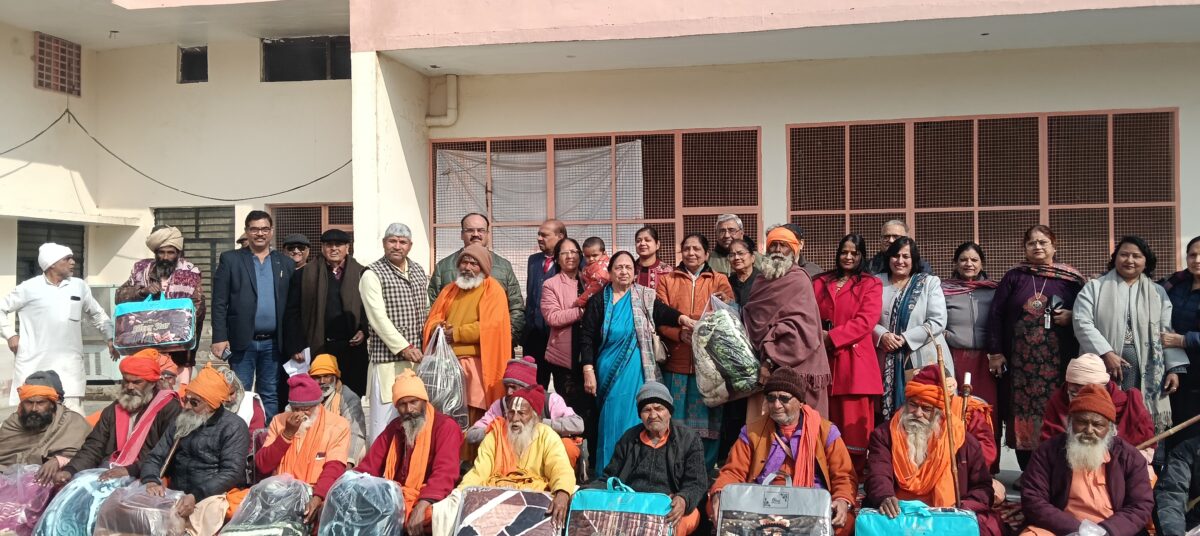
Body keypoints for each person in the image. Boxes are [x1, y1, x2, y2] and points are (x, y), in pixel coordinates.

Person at [579, 251, 693, 473]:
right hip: (608, 372)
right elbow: (587, 337)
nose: (624, 272)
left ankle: (637, 473)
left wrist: (683, 319)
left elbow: (662, 312)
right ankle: (608, 473)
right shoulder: (598, 301)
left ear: (634, 273)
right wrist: (588, 369)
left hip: (638, 370)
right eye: (619, 267)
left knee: (638, 417)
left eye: (628, 268)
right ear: (610, 272)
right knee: (611, 420)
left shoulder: (644, 296)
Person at [711, 368, 858, 535]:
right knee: (715, 505)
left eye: (784, 398)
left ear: (801, 402)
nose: (776, 405)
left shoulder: (825, 431)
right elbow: (733, 471)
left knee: (844, 521)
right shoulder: (752, 431)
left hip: (809, 507)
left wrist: (842, 500)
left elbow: (843, 475)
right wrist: (719, 493)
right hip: (760, 506)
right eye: (771, 398)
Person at [864, 364, 1005, 536]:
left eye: (926, 409)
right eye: (913, 405)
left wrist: (962, 508)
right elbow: (878, 472)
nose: (918, 413)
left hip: (948, 516)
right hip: (900, 514)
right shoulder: (884, 434)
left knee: (988, 527)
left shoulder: (961, 440)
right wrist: (884, 496)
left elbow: (982, 486)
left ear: (940, 412)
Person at [988, 225, 1085, 468]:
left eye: (1043, 242)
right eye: (1031, 243)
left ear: (1054, 245)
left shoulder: (1071, 280)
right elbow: (996, 314)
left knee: (1057, 410)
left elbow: (1089, 313)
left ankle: (1055, 470)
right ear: (1025, 248)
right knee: (1022, 415)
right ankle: (1028, 471)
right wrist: (996, 352)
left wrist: (1073, 316)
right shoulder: (1015, 277)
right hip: (1020, 366)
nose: (1037, 247)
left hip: (1059, 363)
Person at [1074, 236, 1187, 433]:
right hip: (1104, 368)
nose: (1130, 260)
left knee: (1141, 423)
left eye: (1136, 256)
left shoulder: (1158, 292)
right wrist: (1106, 353)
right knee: (1105, 419)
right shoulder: (1094, 287)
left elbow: (1166, 331)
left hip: (1147, 371)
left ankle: (1144, 453)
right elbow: (1081, 322)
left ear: (1146, 261)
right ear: (1115, 258)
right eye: (1124, 255)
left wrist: (1174, 369)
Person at [430, 385, 576, 536]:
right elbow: (479, 472)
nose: (515, 419)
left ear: (535, 417)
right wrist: (460, 493)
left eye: (521, 413)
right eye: (511, 412)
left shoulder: (547, 435)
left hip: (533, 503)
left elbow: (561, 468)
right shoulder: (496, 435)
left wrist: (562, 492)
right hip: (495, 503)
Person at [1020, 384, 1153, 536]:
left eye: (1097, 425)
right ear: (1070, 423)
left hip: (1111, 531)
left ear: (1110, 428)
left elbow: (1140, 505)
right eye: (1082, 422)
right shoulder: (1048, 451)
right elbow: (1033, 499)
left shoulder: (1130, 457)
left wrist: (1106, 531)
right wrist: (1078, 530)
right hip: (1060, 529)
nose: (1089, 430)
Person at [0, 243, 114, 411]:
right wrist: (10, 334)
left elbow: (97, 314)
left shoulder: (79, 286)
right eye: (67, 259)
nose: (73, 262)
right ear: (51, 263)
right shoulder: (29, 288)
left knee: (72, 418)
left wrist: (110, 337)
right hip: (34, 367)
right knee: (33, 416)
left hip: (70, 370)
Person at [656, 233, 733, 468]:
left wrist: (726, 301)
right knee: (674, 420)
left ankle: (705, 469)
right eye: (687, 248)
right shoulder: (667, 280)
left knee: (709, 421)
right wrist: (679, 334)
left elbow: (729, 317)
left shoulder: (719, 280)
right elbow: (659, 318)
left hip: (709, 364)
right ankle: (675, 467)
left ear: (706, 254)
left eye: (697, 249)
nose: (691, 253)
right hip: (677, 361)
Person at [211, 210, 296, 420]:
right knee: (240, 393)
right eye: (255, 229)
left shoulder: (284, 263)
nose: (260, 234)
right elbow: (219, 302)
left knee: (270, 393)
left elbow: (293, 306)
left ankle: (267, 435)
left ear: (272, 231)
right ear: (247, 231)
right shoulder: (231, 260)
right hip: (242, 341)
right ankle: (240, 435)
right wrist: (219, 337)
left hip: (273, 343)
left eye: (264, 229)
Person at [140, 365, 250, 525]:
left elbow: (231, 472)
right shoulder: (181, 419)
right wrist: (151, 480)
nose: (186, 406)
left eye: (194, 402)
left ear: (212, 405)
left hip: (213, 496)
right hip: (175, 493)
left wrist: (195, 495)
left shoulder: (234, 426)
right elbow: (155, 456)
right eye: (186, 399)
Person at [358, 370, 463, 536]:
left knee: (432, 517)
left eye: (414, 402)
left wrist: (422, 505)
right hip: (397, 499)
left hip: (431, 499)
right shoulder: (395, 427)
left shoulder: (445, 427)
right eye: (402, 404)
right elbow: (369, 466)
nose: (409, 409)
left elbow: (445, 473)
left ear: (424, 400)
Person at [598, 382, 707, 535]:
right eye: (646, 410)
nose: (653, 415)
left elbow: (697, 482)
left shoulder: (688, 439)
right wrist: (584, 492)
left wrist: (683, 499)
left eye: (659, 408)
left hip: (669, 505)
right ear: (640, 415)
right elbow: (609, 476)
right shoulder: (629, 438)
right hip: (632, 505)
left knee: (682, 520)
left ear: (669, 412)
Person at [813, 233, 883, 472]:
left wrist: (832, 337)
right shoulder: (820, 281)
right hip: (823, 360)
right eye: (844, 252)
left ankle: (854, 477)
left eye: (855, 253)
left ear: (862, 255)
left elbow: (866, 321)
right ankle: (827, 473)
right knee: (825, 424)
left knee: (854, 430)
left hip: (855, 362)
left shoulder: (870, 284)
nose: (849, 257)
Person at [744, 226, 829, 420]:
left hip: (798, 363)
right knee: (766, 429)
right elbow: (753, 317)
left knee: (800, 425)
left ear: (794, 249)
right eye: (773, 245)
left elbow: (802, 327)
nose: (777, 250)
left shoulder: (799, 279)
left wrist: (769, 359)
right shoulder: (760, 280)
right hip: (762, 366)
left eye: (783, 245)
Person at [58, 351, 181, 484]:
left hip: (149, 477)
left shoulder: (169, 408)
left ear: (152, 383)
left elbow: (168, 453)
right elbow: (94, 446)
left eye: (137, 382)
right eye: (126, 381)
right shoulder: (114, 409)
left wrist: (130, 470)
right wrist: (71, 470)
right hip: (110, 470)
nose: (130, 387)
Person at [423, 243, 513, 422]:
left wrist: (457, 333)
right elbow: (433, 319)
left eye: (474, 263)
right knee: (444, 417)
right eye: (464, 262)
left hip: (477, 366)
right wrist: (438, 328)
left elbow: (491, 326)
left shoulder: (493, 290)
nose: (468, 268)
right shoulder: (449, 290)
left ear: (483, 268)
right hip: (445, 365)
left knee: (473, 419)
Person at [359, 222, 431, 441]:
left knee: (415, 421)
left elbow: (426, 309)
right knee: (385, 424)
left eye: (402, 242)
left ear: (410, 246)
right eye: (392, 241)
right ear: (384, 243)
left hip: (417, 361)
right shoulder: (372, 274)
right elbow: (377, 318)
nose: (397, 246)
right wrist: (403, 347)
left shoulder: (418, 270)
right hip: (387, 363)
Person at [255, 375, 351, 525]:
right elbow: (262, 464)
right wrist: (286, 435)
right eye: (295, 409)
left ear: (317, 405)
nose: (300, 414)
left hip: (317, 494)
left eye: (305, 409)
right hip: (280, 495)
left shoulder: (339, 425)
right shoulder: (279, 421)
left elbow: (334, 467)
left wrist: (318, 498)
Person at [115, 225, 206, 384]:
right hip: (144, 345)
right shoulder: (141, 270)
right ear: (155, 253)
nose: (165, 257)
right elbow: (119, 296)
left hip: (178, 348)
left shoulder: (190, 273)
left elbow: (198, 307)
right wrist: (142, 292)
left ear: (178, 253)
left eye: (170, 253)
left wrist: (170, 323)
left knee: (175, 391)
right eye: (161, 252)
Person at [874, 237, 952, 420]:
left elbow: (938, 320)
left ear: (913, 259)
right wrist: (882, 334)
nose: (900, 261)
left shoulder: (928, 283)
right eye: (895, 256)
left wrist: (905, 338)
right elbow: (865, 317)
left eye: (905, 256)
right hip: (884, 356)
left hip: (922, 357)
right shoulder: (876, 282)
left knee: (924, 413)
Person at [284, 228, 369, 396]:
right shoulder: (305, 274)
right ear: (322, 248)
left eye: (339, 244)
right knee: (318, 395)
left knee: (351, 397)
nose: (334, 248)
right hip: (318, 346)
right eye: (329, 245)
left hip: (351, 347)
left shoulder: (362, 273)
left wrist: (363, 329)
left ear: (347, 248)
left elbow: (369, 307)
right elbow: (292, 313)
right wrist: (295, 345)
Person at [466, 356, 586, 468]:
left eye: (514, 387)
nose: (509, 392)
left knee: (568, 447)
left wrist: (540, 423)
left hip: (547, 456)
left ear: (528, 388)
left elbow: (578, 425)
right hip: (513, 460)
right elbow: (472, 435)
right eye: (506, 386)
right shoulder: (501, 405)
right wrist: (502, 427)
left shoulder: (550, 400)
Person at [428, 213, 524, 339]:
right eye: (470, 230)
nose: (476, 234)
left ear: (488, 234)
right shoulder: (444, 266)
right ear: (461, 234)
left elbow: (516, 306)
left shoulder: (504, 266)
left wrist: (508, 336)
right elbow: (433, 307)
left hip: (492, 341)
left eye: (481, 230)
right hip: (451, 344)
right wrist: (439, 331)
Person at [1040, 354, 1154, 449]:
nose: (1079, 400)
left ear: (1103, 389)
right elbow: (1048, 447)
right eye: (1074, 393)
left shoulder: (1127, 405)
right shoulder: (1059, 401)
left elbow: (1144, 449)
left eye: (1086, 393)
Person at [0, 371, 90, 482]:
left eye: (40, 403)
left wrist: (58, 461)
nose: (34, 409)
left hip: (58, 482)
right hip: (12, 482)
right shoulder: (12, 423)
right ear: (22, 404)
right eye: (29, 403)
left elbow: (90, 455)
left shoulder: (72, 422)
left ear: (52, 404)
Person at [943, 242, 1000, 406]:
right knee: (955, 405)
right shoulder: (942, 290)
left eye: (974, 260)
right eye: (963, 260)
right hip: (953, 357)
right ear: (955, 263)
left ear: (982, 263)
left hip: (987, 359)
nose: (969, 264)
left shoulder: (994, 290)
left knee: (985, 406)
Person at [1164, 235, 1200, 445]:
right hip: (1176, 369)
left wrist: (1184, 340)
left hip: (1196, 370)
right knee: (1176, 429)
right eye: (1192, 255)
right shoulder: (1176, 284)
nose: (1197, 260)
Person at [524, 219, 566, 386]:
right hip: (534, 337)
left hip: (558, 337)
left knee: (563, 386)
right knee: (533, 385)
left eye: (544, 235)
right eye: (538, 235)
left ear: (560, 236)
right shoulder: (533, 261)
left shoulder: (572, 261)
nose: (539, 238)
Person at [540, 237, 583, 399]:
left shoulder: (592, 280)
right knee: (570, 404)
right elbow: (552, 317)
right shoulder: (551, 284)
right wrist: (581, 312)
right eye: (564, 253)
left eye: (573, 252)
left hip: (590, 355)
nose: (570, 256)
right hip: (564, 358)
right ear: (557, 258)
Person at [309, 353, 368, 466]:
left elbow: (355, 432)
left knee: (362, 449)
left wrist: (348, 462)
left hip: (338, 446)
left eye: (326, 376)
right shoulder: (306, 396)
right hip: (311, 446)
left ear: (336, 377)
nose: (322, 381)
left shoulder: (347, 397)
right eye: (317, 377)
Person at [866, 220, 932, 275]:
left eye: (896, 236)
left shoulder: (920, 265)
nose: (891, 240)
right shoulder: (870, 265)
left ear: (906, 239)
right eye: (886, 237)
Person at [726, 238, 760, 307]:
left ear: (752, 258)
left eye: (740, 253)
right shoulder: (728, 283)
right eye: (732, 255)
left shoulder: (762, 281)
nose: (736, 258)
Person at [576, 237, 610, 308]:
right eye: (587, 256)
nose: (591, 259)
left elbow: (596, 286)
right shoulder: (591, 266)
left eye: (595, 255)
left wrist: (581, 300)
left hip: (599, 301)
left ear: (604, 253)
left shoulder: (602, 267)